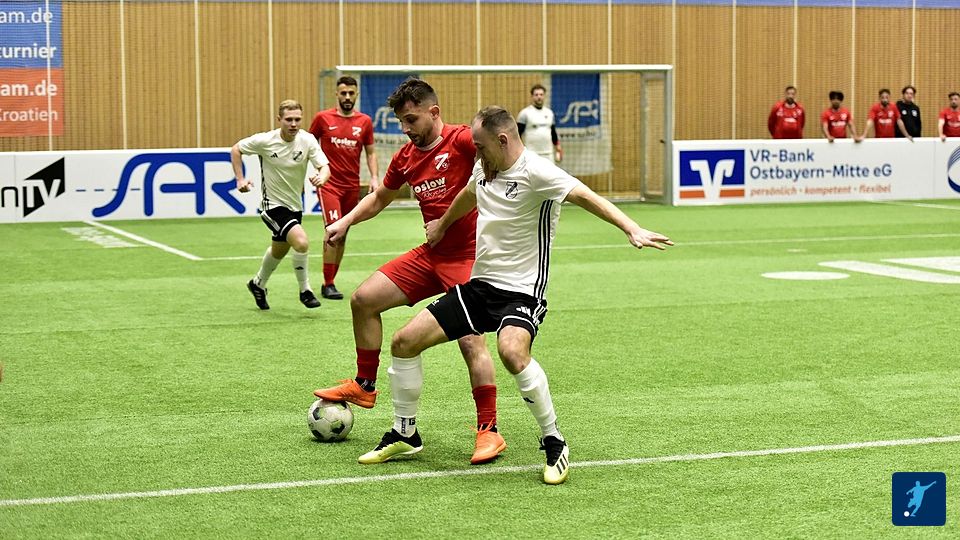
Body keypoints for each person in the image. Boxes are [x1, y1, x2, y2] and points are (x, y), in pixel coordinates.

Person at [356, 106, 672, 485]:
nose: (475, 151)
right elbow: (468, 195)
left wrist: (630, 227)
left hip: (522, 291)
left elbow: (585, 195)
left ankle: (554, 440)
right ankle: (405, 433)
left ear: (502, 140)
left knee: (511, 351)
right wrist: (442, 225)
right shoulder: (485, 167)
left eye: (480, 145)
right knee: (404, 342)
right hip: (480, 287)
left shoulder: (538, 171)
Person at [314, 78, 505, 465]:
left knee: (471, 341)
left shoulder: (462, 141)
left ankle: (489, 430)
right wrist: (345, 222)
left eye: (411, 119)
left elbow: (503, 156)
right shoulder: (405, 156)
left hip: (469, 258)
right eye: (401, 121)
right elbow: (380, 199)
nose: (405, 128)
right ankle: (365, 385)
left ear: (434, 112)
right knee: (363, 300)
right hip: (431, 254)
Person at [232, 99, 330, 310]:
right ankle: (305, 290)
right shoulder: (265, 140)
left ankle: (257, 284)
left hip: (295, 206)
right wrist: (240, 179)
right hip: (272, 206)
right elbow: (236, 149)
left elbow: (324, 167)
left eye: (297, 119)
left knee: (279, 251)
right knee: (301, 242)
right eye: (289, 120)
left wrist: (322, 177)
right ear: (279, 119)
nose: (293, 124)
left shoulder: (308, 140)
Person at [308, 75, 379, 300]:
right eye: (343, 93)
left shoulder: (364, 121)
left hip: (351, 186)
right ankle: (328, 283)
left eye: (351, 93)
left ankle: (331, 280)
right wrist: (313, 170)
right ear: (336, 94)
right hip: (329, 184)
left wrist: (374, 177)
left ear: (356, 94)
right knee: (333, 230)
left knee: (343, 232)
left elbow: (371, 152)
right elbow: (308, 145)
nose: (347, 97)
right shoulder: (322, 118)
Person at [517, 84, 562, 163]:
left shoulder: (549, 113)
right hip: (531, 155)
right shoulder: (525, 113)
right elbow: (517, 134)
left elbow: (553, 133)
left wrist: (558, 146)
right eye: (536, 95)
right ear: (532, 96)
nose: (539, 97)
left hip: (548, 154)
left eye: (541, 94)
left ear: (544, 96)